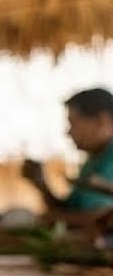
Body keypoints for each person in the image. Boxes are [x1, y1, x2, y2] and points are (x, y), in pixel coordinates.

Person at [22, 87, 113, 224]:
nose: (68, 132)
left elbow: (101, 219)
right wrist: (41, 184)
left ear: (101, 121)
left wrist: (40, 219)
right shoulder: (93, 161)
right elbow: (70, 211)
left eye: (72, 123)